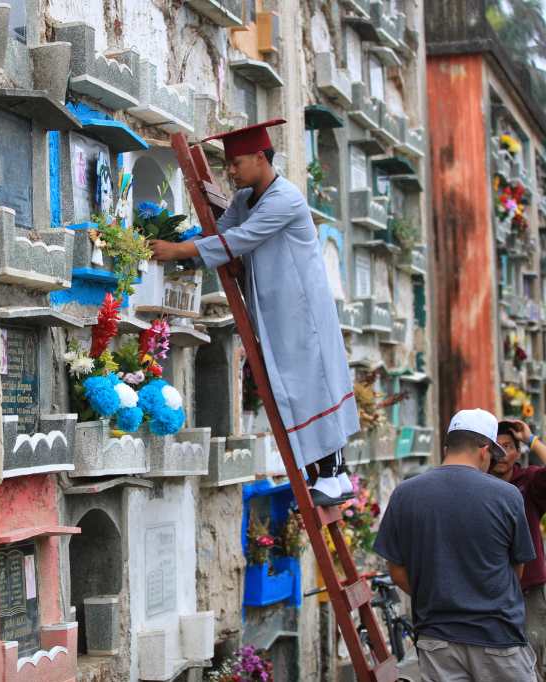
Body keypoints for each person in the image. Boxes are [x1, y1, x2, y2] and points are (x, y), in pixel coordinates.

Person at [150, 119, 357, 505]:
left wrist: (178, 252)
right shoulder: (246, 199)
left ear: (261, 158)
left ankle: (331, 473)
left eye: (237, 163)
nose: (230, 171)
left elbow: (241, 239)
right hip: (275, 307)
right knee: (297, 384)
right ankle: (336, 473)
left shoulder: (285, 198)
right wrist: (182, 246)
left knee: (311, 383)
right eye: (228, 164)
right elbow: (220, 232)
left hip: (301, 309)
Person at [374, 408, 537, 681]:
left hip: (436, 640)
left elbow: (397, 571)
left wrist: (439, 595)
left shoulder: (405, 493)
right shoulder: (507, 496)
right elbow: (517, 571)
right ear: (484, 450)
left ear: (448, 445)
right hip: (498, 637)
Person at [494, 419, 546, 680]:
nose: (502, 453)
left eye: (508, 446)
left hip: (528, 590)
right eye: (496, 446)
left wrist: (531, 439)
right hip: (490, 595)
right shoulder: (477, 484)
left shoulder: (530, 481)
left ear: (517, 451)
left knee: (535, 658)